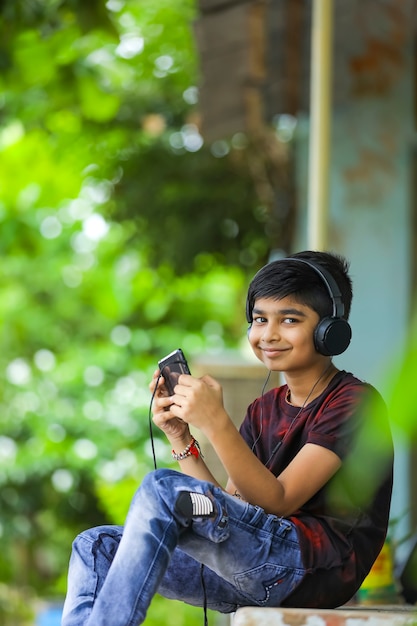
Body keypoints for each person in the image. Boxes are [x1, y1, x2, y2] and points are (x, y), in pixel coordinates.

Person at [61, 250, 393, 626]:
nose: (268, 334)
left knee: (161, 485)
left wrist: (216, 422)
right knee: (95, 546)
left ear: (329, 331)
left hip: (312, 571)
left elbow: (279, 501)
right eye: (259, 319)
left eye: (289, 320)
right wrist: (182, 436)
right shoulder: (264, 408)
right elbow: (230, 508)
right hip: (258, 563)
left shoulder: (354, 402)